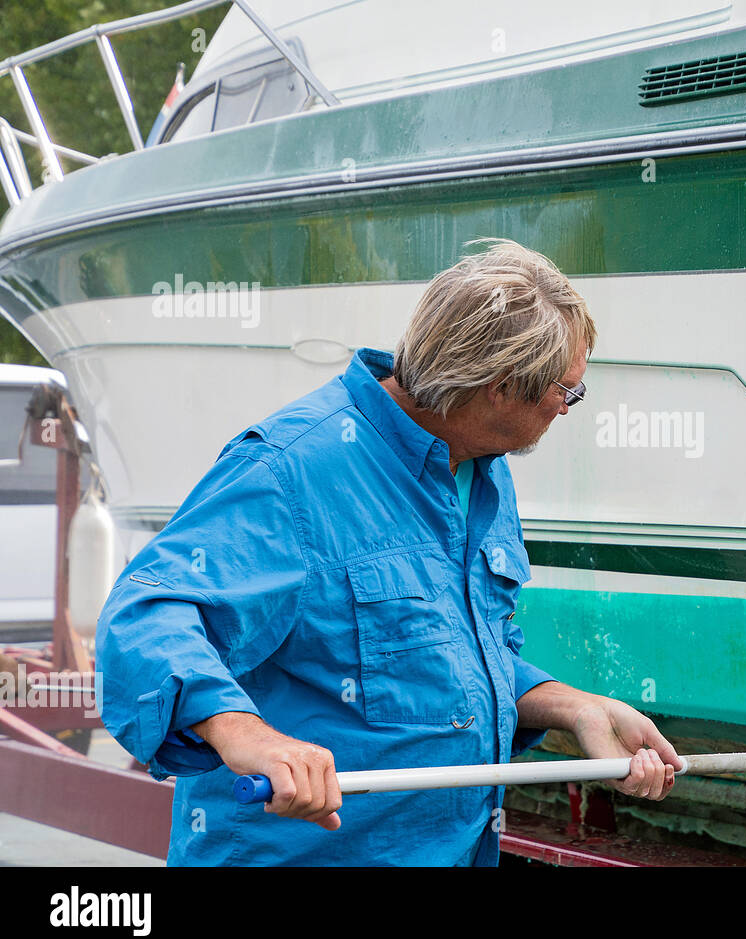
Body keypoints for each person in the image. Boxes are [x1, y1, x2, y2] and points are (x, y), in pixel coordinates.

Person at [96, 239, 681, 865]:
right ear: (502, 388)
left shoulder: (480, 470)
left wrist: (574, 706)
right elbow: (143, 615)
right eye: (569, 391)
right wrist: (245, 734)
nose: (568, 408)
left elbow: (450, 658)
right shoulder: (292, 471)